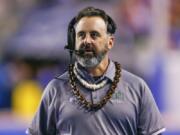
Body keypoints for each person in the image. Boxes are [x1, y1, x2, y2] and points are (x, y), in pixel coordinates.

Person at [27, 7, 166, 135]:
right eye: (81, 35)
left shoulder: (136, 87)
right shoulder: (55, 89)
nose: (86, 41)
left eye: (94, 35)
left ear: (110, 42)